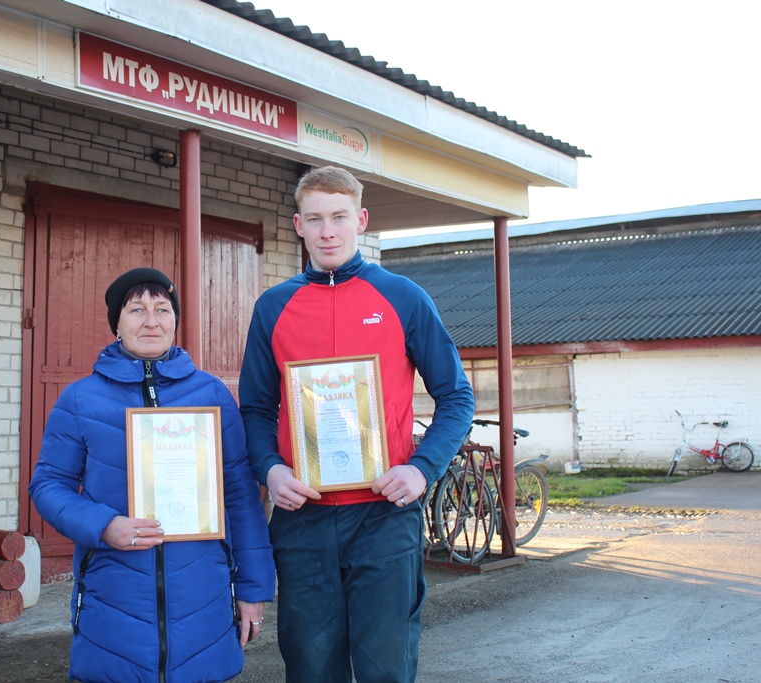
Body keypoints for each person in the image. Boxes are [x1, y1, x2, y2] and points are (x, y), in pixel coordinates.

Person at [238, 166, 475, 683]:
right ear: (297, 224)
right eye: (316, 218)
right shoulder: (273, 308)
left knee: (385, 668)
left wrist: (421, 470)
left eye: (339, 217)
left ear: (361, 220)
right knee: (310, 668)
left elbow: (456, 397)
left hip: (384, 516)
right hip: (304, 518)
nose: (328, 231)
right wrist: (271, 471)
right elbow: (255, 409)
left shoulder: (404, 297)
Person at [30, 267, 275, 683]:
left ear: (175, 321)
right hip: (114, 596)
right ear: (117, 323)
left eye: (162, 309)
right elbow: (48, 485)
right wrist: (103, 525)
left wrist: (254, 589)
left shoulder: (211, 395)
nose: (151, 320)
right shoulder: (80, 399)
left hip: (203, 596)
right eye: (137, 309)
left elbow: (240, 496)